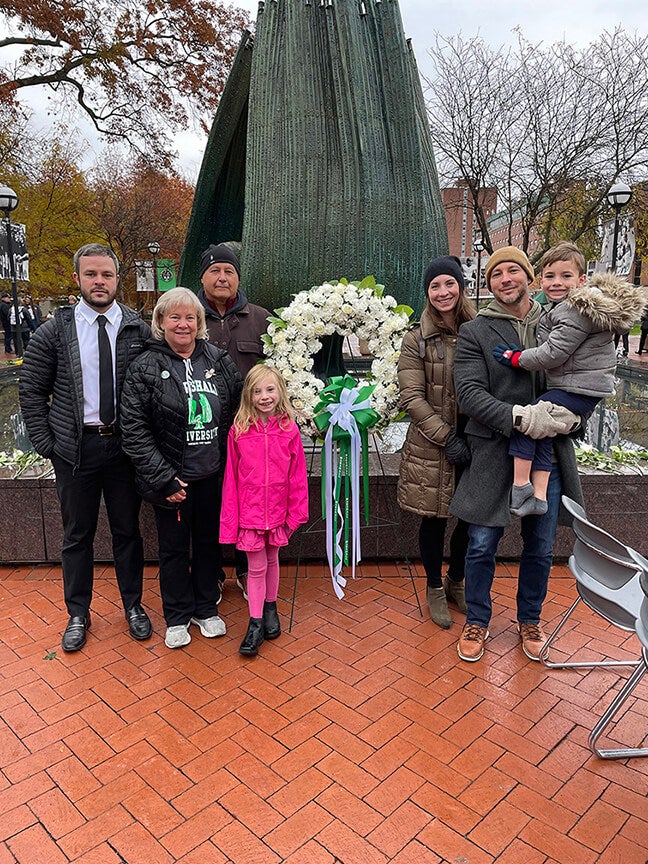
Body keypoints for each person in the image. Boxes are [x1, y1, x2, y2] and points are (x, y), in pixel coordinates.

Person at [450, 246, 584, 663]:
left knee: (541, 545)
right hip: (493, 448)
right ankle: (477, 618)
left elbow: (584, 381)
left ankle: (530, 619)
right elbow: (469, 393)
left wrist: (570, 418)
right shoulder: (476, 331)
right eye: (496, 274)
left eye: (514, 271)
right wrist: (520, 418)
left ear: (529, 276)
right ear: (488, 283)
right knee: (480, 543)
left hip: (548, 450)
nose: (505, 279)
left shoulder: (558, 324)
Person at [19, 243, 152, 652]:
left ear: (117, 280)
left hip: (124, 449)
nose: (99, 282)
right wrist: (48, 444)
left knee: (127, 531)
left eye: (106, 275)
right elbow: (31, 390)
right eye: (91, 274)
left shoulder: (136, 328)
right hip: (76, 451)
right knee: (77, 534)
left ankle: (134, 606)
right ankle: (78, 613)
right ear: (77, 278)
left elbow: (152, 389)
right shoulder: (54, 330)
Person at [121, 287, 242, 649]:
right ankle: (176, 614)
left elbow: (238, 409)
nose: (183, 324)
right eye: (174, 317)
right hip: (171, 479)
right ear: (160, 322)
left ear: (200, 322)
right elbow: (134, 429)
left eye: (190, 317)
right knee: (173, 550)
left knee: (208, 544)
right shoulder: (146, 366)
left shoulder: (218, 361)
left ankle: (205, 608)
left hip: (212, 475)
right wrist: (163, 478)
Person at [493, 242, 647, 517]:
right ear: (540, 279)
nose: (557, 283)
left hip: (577, 389)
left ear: (582, 280)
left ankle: (519, 489)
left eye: (566, 276)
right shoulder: (566, 308)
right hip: (582, 388)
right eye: (550, 276)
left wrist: (515, 357)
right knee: (543, 434)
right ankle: (538, 497)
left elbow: (552, 353)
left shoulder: (573, 310)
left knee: (529, 421)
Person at [397, 256, 475, 629]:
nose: (443, 292)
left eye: (449, 284)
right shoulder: (416, 339)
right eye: (435, 286)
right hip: (433, 444)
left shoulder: (478, 329)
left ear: (460, 286)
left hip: (477, 441)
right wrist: (447, 437)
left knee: (470, 518)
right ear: (427, 292)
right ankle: (432, 587)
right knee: (434, 519)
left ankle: (455, 580)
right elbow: (412, 396)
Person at [198, 242, 271, 600]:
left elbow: (277, 374)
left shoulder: (260, 319)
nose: (222, 277)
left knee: (249, 503)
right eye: (215, 271)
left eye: (229, 271)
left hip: (249, 434)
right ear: (203, 277)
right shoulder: (188, 315)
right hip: (203, 433)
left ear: (238, 277)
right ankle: (210, 572)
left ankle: (246, 568)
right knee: (209, 504)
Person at [220, 365, 308, 656]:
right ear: (249, 395)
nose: (264, 396)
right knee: (255, 568)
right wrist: (231, 520)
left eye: (270, 389)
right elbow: (231, 478)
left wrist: (296, 513)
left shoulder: (289, 430)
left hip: (279, 512)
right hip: (251, 514)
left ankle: (271, 609)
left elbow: (297, 476)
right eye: (257, 391)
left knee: (273, 560)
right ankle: (255, 621)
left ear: (280, 391)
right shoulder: (240, 430)